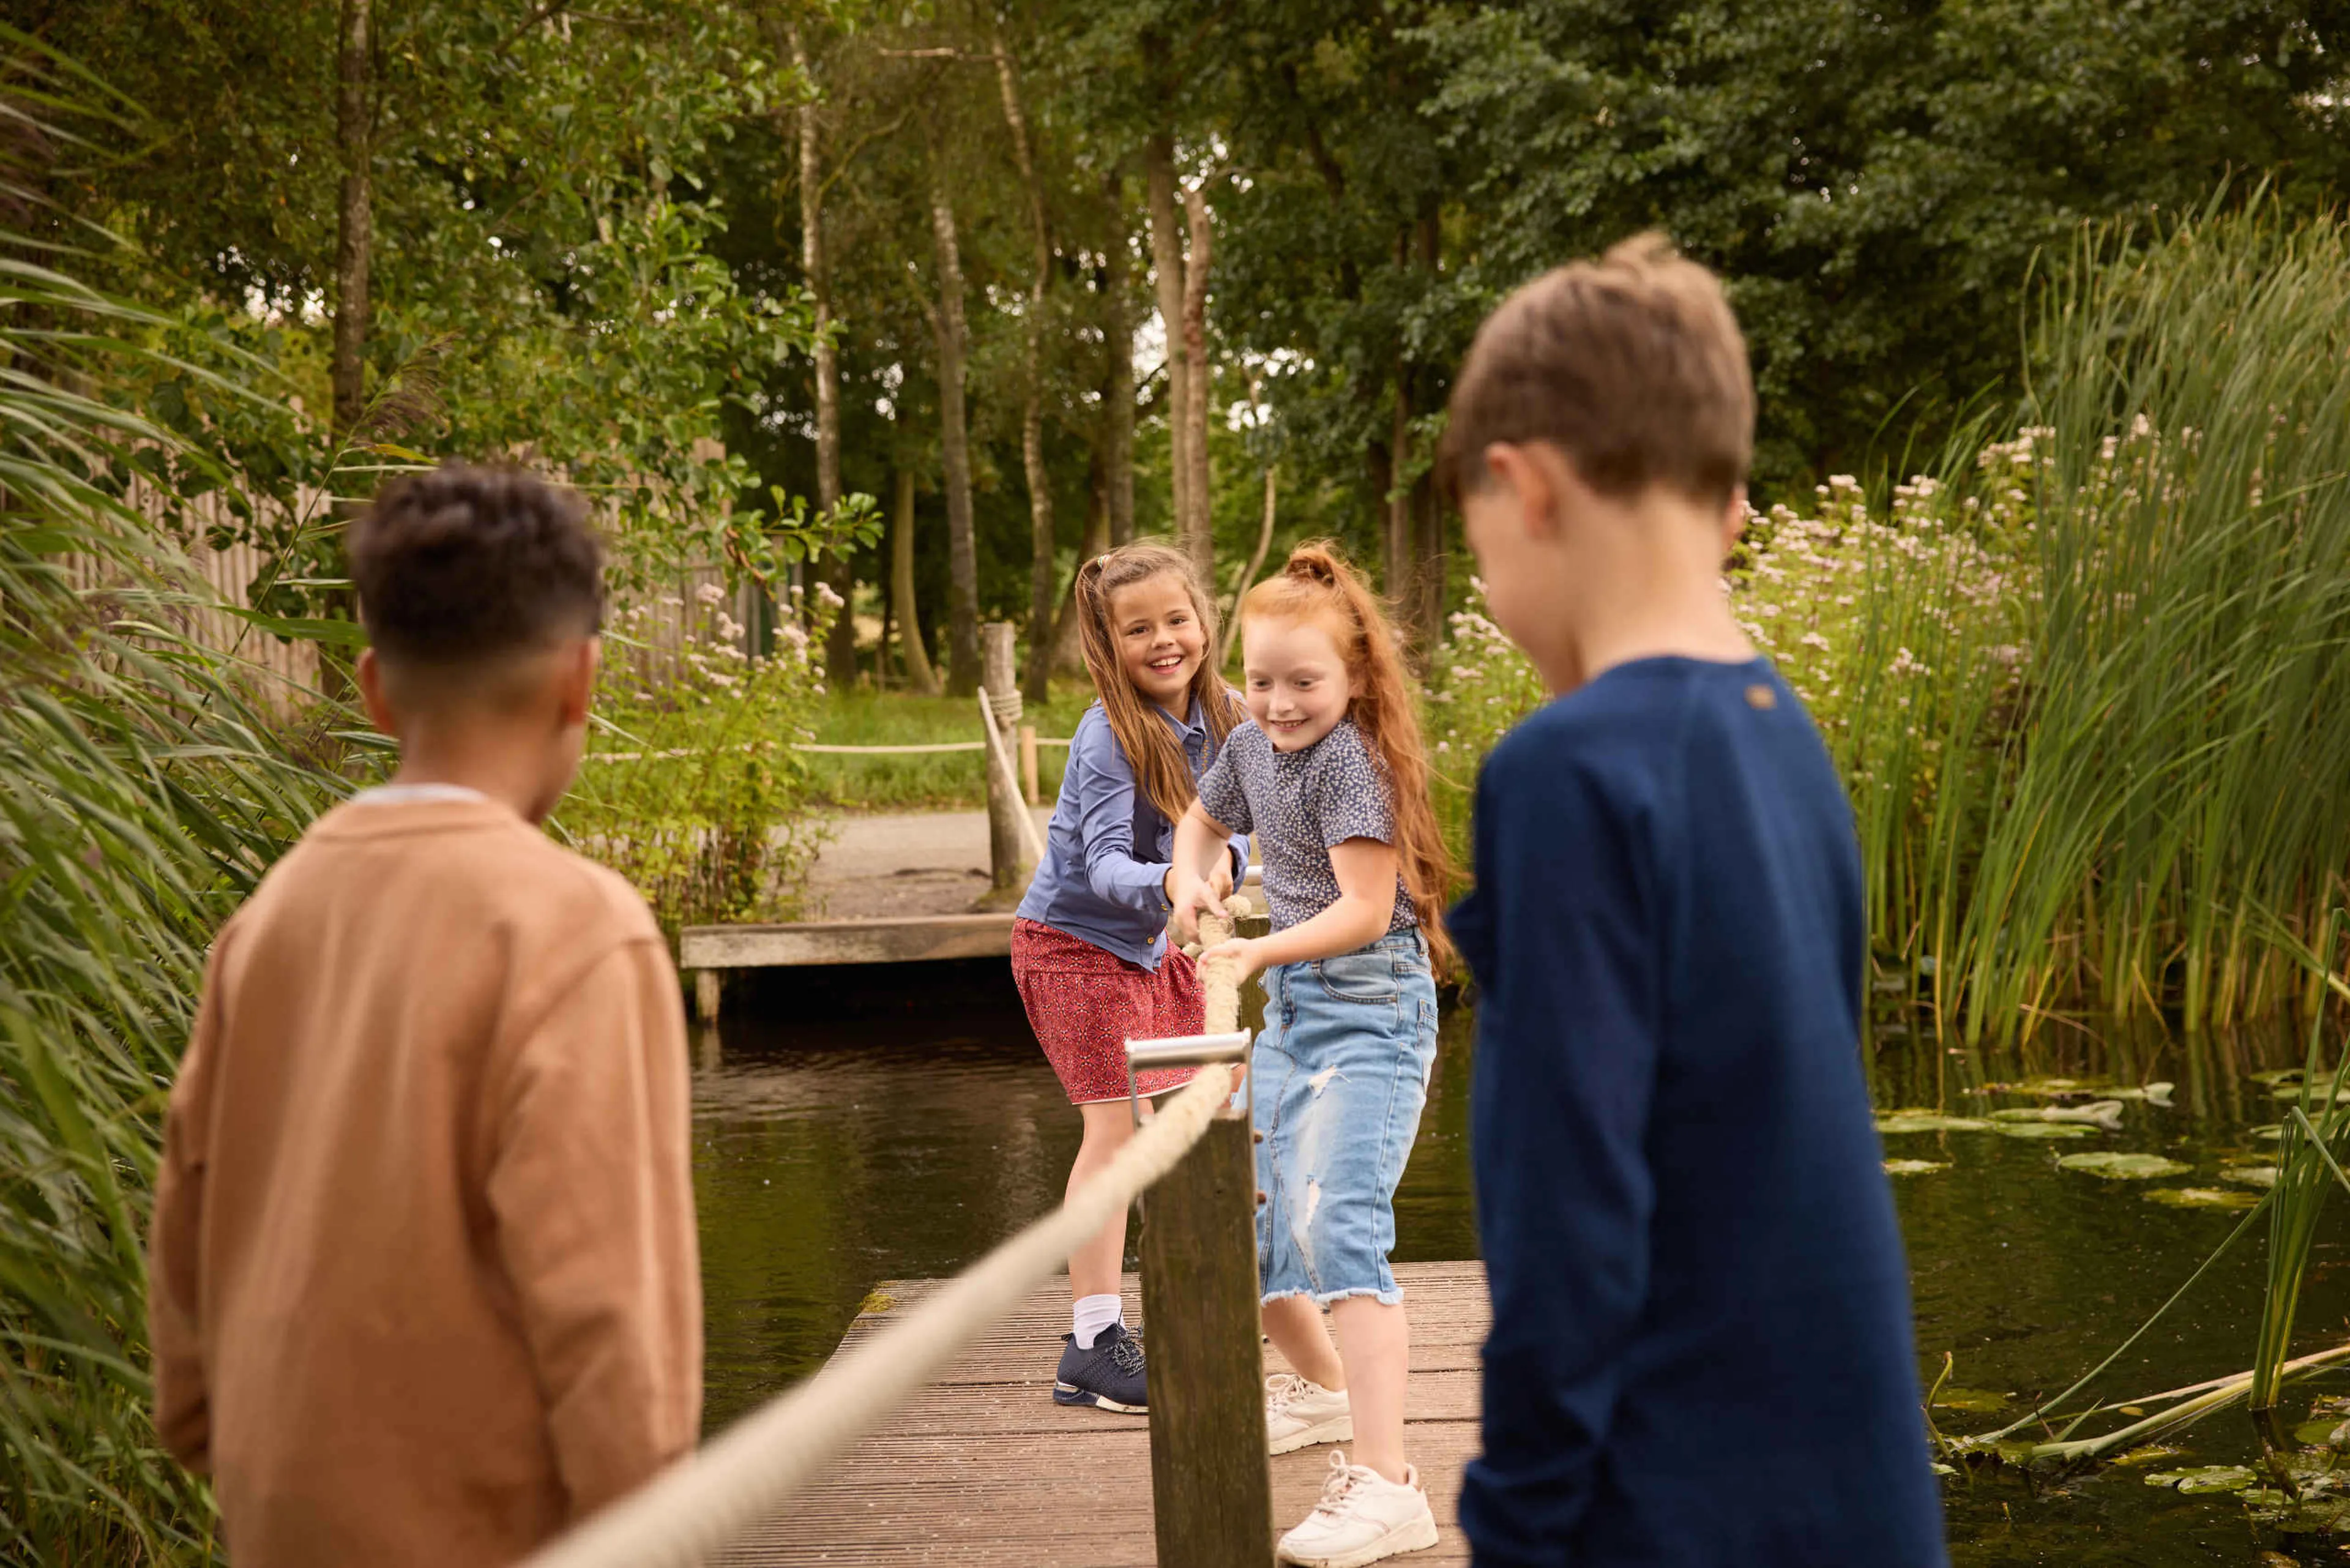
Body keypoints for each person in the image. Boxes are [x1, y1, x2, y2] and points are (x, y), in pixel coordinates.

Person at [1438, 234, 1949, 1565]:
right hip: (1855, 1496)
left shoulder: (1566, 771)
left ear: (1525, 489)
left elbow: (1568, 1222)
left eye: (1476, 546)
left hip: (1673, 1505)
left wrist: (1515, 1524)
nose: (1490, 590)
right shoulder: (1787, 734)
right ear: (1727, 507)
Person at [145, 466, 701, 1568]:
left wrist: (223, 1440)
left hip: (281, 1529)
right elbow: (612, 1326)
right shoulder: (579, 932)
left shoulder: (268, 919)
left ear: (374, 690)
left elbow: (186, 1233)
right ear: (581, 678)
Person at [1169, 543, 1455, 1568]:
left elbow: (1367, 910)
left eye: (1304, 682)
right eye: (1261, 680)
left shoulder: (1350, 763)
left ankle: (1388, 1484)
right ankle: (1328, 1392)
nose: (1280, 703)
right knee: (1254, 1221)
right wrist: (1191, 882)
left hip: (1372, 1007)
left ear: (1356, 677)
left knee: (1338, 1225)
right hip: (1295, 1006)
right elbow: (1200, 826)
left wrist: (1253, 947)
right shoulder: (1251, 746)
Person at [1011, 540, 1249, 1413]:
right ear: (1110, 645)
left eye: (1176, 620)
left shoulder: (1231, 713)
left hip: (1152, 950)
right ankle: (1092, 1344)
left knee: (1214, 1101)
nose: (1163, 641)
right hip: (1071, 947)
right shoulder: (1108, 732)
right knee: (1113, 1131)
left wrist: (1228, 865)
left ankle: (1206, 1296)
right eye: (1138, 629)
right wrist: (1177, 883)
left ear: (1204, 623)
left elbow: (1242, 819)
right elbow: (1105, 864)